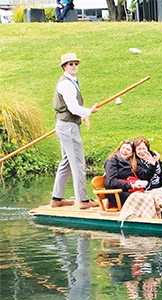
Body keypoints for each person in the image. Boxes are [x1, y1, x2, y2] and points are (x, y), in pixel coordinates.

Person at [50, 53, 99, 210]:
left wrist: (83, 115)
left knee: (66, 161)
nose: (74, 66)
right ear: (64, 67)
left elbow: (73, 107)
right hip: (68, 127)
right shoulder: (66, 84)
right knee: (78, 162)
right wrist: (88, 112)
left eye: (75, 64)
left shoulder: (71, 81)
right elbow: (72, 107)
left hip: (66, 124)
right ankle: (83, 201)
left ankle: (56, 199)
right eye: (70, 64)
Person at [104, 140, 145, 208]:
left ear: (131, 153)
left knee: (148, 196)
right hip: (115, 193)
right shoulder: (112, 161)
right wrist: (130, 185)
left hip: (127, 190)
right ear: (119, 149)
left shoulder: (131, 163)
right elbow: (111, 181)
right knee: (141, 199)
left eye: (128, 149)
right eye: (123, 148)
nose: (124, 151)